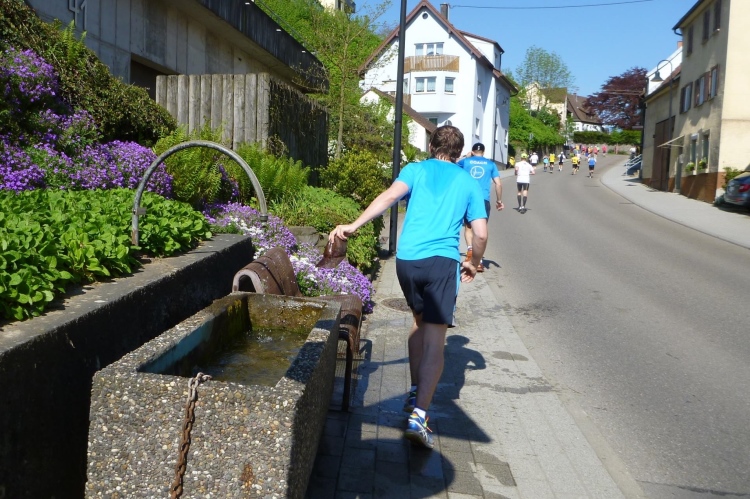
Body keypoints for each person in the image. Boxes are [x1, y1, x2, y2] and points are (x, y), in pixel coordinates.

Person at [329, 125, 487, 450]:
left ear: (431, 146)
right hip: (441, 263)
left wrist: (354, 225)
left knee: (419, 321)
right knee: (436, 340)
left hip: (408, 261)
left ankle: (415, 391)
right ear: (459, 153)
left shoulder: (415, 170)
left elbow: (389, 197)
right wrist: (473, 260)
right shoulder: (468, 182)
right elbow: (481, 234)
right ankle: (419, 415)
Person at [458, 142, 503, 273]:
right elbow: (498, 184)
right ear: (483, 152)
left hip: (467, 198)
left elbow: (452, 165)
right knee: (480, 229)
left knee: (468, 227)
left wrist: (465, 157)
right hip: (483, 199)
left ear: (472, 151)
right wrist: (499, 200)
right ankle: (479, 261)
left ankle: (470, 252)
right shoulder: (491, 164)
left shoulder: (465, 162)